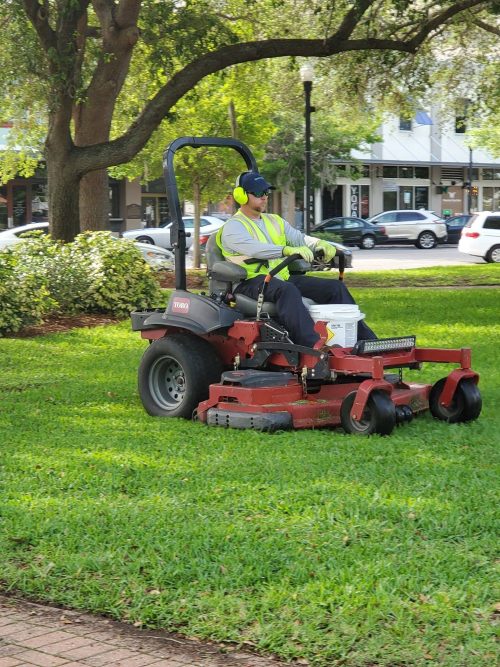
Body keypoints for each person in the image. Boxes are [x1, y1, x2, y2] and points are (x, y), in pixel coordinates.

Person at [216, 171, 377, 348]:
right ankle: (315, 347)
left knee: (335, 288)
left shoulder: (275, 220)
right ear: (241, 195)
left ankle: (366, 341)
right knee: (287, 291)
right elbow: (255, 248)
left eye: (266, 193)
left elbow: (300, 239)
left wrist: (320, 244)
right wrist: (286, 250)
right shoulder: (233, 226)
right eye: (258, 193)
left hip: (279, 279)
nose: (264, 197)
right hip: (249, 283)